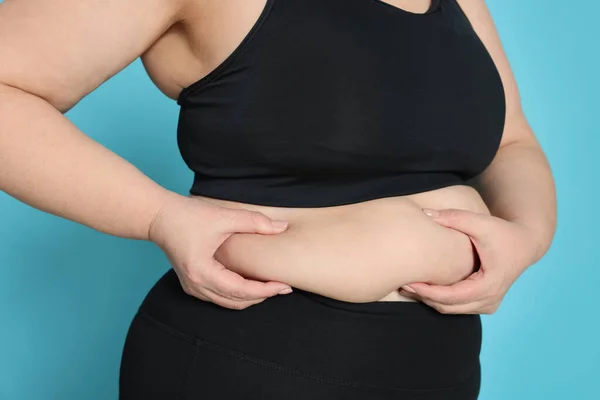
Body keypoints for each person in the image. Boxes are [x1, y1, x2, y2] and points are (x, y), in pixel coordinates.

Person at [0, 0, 556, 398]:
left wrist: (528, 236)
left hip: (440, 368)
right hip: (256, 362)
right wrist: (157, 215)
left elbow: (511, 140)